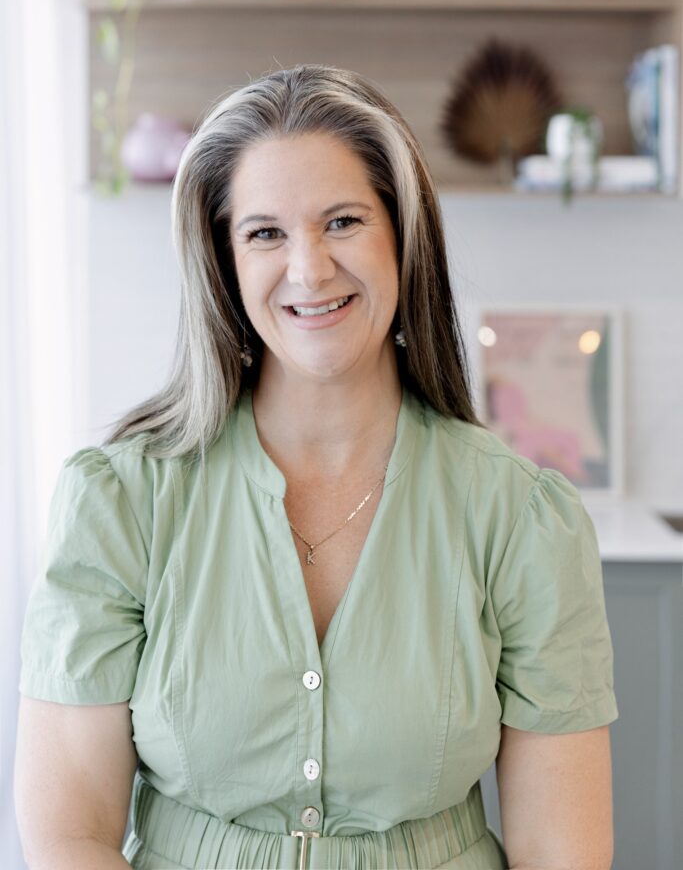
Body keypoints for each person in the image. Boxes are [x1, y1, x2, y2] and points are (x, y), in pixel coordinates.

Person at [15, 64, 618, 870]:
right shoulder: (119, 501)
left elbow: (561, 851)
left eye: (341, 222)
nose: (308, 269)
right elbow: (69, 834)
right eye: (264, 232)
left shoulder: (520, 516)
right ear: (223, 264)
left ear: (403, 239)